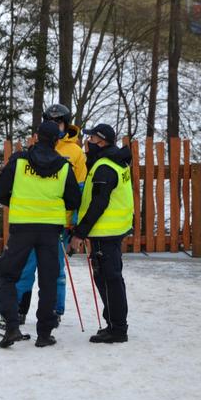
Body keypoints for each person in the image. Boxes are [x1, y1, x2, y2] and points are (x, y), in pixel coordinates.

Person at [0, 121, 80, 348]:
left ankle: (12, 327)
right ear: (57, 141)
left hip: (22, 228)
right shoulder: (63, 166)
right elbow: (74, 200)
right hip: (51, 230)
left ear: (35, 137)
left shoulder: (20, 161)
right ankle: (44, 334)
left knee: (8, 274)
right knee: (49, 280)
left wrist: (18, 203)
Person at [16, 104, 87, 324]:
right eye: (50, 122)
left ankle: (55, 310)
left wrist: (76, 223)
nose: (55, 127)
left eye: (59, 122)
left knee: (56, 272)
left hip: (60, 223)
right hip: (32, 220)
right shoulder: (34, 149)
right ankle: (19, 309)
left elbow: (82, 189)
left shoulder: (74, 152)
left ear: (66, 124)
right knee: (27, 268)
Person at [70, 124, 133, 344]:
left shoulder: (105, 168)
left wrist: (80, 233)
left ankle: (117, 328)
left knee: (108, 280)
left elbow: (98, 204)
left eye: (91, 140)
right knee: (112, 279)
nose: (87, 144)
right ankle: (116, 324)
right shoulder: (115, 161)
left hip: (105, 233)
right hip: (113, 231)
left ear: (101, 142)